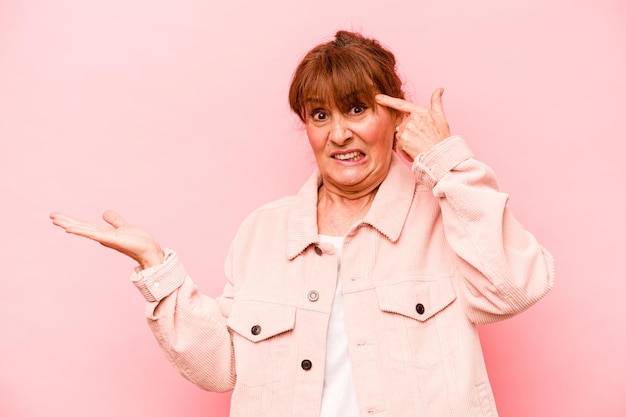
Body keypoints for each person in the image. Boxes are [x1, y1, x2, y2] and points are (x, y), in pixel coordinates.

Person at [50, 30, 555, 417]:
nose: (339, 133)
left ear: (396, 118)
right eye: (319, 115)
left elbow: (512, 289)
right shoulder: (262, 232)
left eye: (357, 109)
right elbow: (220, 367)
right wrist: (157, 270)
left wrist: (445, 160)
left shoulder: (445, 214)